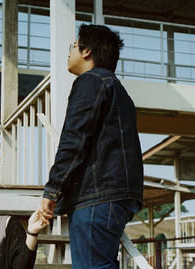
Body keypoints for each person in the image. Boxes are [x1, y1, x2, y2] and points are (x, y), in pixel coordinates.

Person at [39, 24, 144, 268]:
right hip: (118, 195)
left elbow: (74, 139)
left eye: (73, 46)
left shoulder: (91, 81)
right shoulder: (119, 90)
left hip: (98, 195)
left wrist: (52, 190)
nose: (70, 52)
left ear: (87, 51)